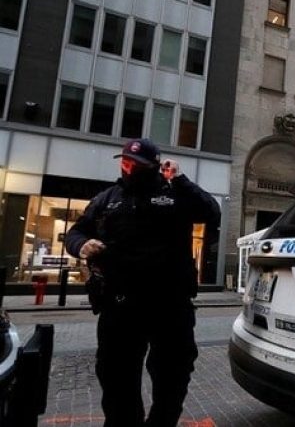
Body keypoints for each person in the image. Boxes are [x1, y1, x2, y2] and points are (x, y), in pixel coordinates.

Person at [66, 138, 221, 427]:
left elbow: (211, 212)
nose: (127, 167)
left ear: (153, 166)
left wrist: (180, 179)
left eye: (134, 164)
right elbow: (75, 232)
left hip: (170, 306)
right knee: (116, 376)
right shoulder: (107, 198)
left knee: (173, 374)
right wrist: (81, 245)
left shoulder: (174, 193)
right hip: (120, 305)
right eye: (124, 161)